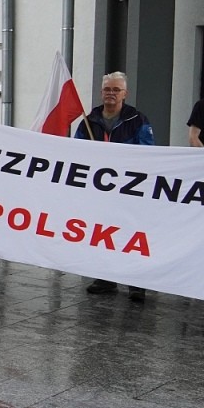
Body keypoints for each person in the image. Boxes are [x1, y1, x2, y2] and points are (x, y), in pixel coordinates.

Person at [75, 71, 154, 302]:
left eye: (116, 90)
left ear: (125, 93)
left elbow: (148, 152)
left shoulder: (138, 119)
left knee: (131, 234)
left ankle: (136, 283)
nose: (111, 93)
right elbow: (77, 151)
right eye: (107, 89)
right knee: (103, 233)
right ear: (101, 93)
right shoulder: (89, 121)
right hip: (99, 189)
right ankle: (105, 278)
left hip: (129, 187)